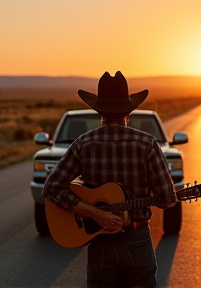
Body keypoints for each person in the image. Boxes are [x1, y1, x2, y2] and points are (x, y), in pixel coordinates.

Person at [43, 71, 176, 288]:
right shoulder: (147, 143)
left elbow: (51, 188)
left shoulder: (83, 143)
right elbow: (166, 199)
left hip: (99, 244)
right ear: (128, 111)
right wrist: (99, 210)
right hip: (137, 240)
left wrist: (93, 213)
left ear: (99, 111)